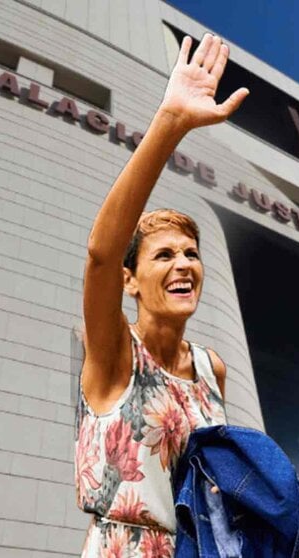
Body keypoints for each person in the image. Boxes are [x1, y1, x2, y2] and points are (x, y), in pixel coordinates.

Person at [74, 33, 249, 557]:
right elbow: (103, 254)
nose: (184, 265)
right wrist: (171, 123)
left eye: (191, 253)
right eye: (164, 255)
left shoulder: (211, 368)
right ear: (131, 280)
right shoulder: (113, 351)